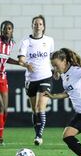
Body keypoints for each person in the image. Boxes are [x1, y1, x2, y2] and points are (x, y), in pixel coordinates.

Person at [18, 15, 54, 146]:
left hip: (45, 77)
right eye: (35, 24)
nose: (38, 26)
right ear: (32, 25)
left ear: (43, 26)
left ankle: (39, 136)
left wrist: (56, 70)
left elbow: (52, 58)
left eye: (40, 24)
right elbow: (20, 60)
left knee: (40, 107)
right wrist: (26, 64)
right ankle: (37, 132)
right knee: (34, 110)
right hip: (31, 79)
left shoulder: (49, 40)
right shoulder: (26, 42)